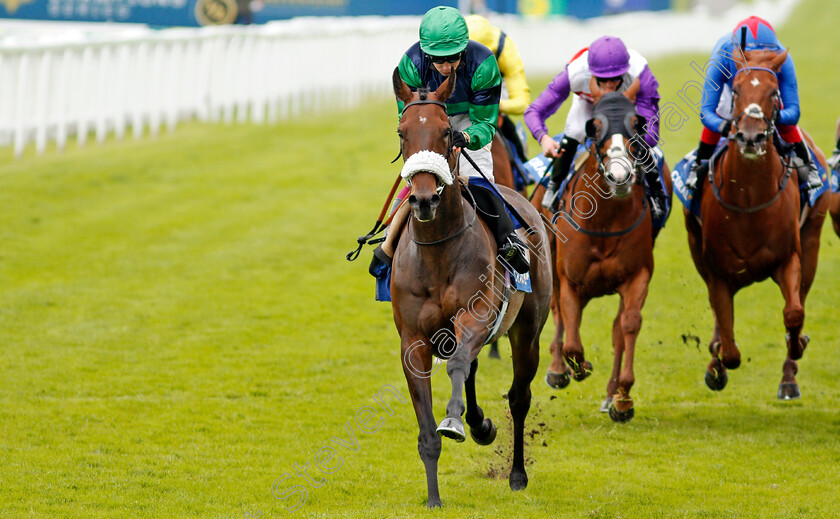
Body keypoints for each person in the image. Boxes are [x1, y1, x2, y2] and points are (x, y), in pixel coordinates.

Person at [372, 6, 529, 275]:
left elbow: (486, 123)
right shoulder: (410, 63)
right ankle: (387, 246)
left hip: (470, 118)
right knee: (419, 180)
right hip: (429, 118)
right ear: (425, 53)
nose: (446, 66)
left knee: (478, 180)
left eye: (453, 58)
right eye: (438, 59)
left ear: (464, 49)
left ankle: (507, 241)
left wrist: (466, 137)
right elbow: (408, 116)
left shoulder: (484, 62)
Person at [523, 35, 667, 217]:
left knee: (639, 138)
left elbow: (652, 134)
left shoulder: (640, 73)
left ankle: (656, 192)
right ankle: (554, 186)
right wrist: (543, 137)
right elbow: (534, 111)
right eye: (602, 79)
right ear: (591, 73)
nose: (609, 85)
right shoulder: (574, 72)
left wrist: (630, 138)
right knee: (575, 130)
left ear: (626, 71)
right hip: (590, 105)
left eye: (615, 78)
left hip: (626, 107)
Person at [685, 16, 822, 194]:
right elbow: (706, 112)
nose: (757, 60)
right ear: (740, 54)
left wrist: (775, 116)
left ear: (772, 53)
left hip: (763, 88)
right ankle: (699, 166)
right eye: (752, 56)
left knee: (779, 115)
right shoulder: (722, 56)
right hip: (733, 87)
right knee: (723, 109)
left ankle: (808, 165)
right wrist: (724, 126)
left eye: (763, 56)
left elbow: (793, 112)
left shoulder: (783, 59)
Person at [466, 14, 530, 163]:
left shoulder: (505, 50)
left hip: (495, 95)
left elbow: (522, 102)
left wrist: (495, 106)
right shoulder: (451, 50)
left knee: (512, 136)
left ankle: (523, 169)